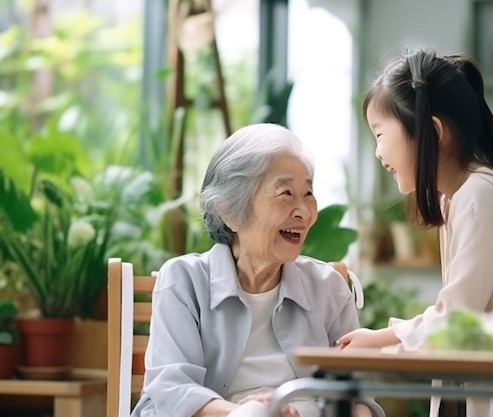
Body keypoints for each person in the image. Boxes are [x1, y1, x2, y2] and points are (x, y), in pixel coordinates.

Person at [336, 48, 493, 417]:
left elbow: (457, 315)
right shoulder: (461, 197)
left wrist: (378, 340)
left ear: (434, 132)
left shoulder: (477, 195)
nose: (377, 152)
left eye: (379, 133)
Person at [131, 123, 382, 417]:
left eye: (308, 193)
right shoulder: (184, 280)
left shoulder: (327, 287)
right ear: (228, 211)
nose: (303, 211)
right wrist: (250, 411)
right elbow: (172, 388)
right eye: (286, 193)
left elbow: (359, 395)